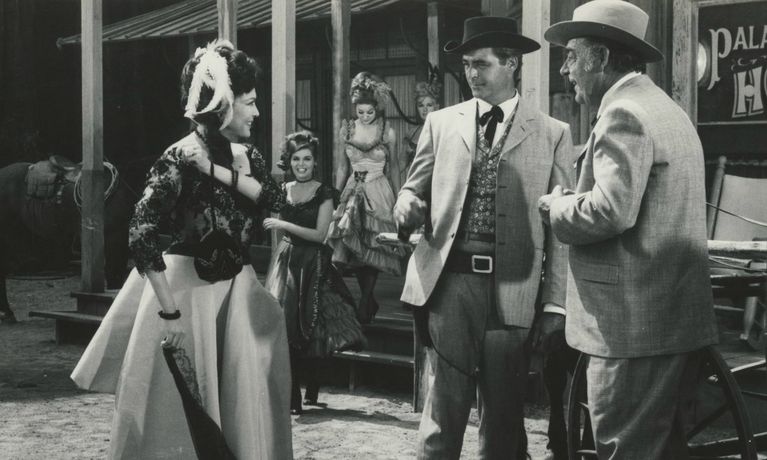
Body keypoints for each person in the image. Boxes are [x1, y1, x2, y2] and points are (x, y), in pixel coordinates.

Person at [70, 40, 293, 459]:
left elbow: (276, 200)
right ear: (223, 105)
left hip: (239, 293)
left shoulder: (249, 156)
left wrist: (213, 170)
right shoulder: (178, 156)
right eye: (249, 103)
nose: (257, 113)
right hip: (188, 298)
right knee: (182, 418)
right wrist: (169, 312)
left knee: (247, 408)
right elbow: (141, 231)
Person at [539, 1, 718, 458]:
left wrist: (558, 207)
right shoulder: (665, 109)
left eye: (571, 56)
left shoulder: (624, 114)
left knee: (624, 449)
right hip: (671, 325)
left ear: (600, 57)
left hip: (630, 330)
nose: (564, 70)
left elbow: (610, 211)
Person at [393, 16, 574, 459]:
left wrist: (555, 305)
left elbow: (561, 233)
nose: (471, 73)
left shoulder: (552, 133)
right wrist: (405, 205)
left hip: (514, 290)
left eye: (482, 64)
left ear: (512, 64)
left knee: (505, 421)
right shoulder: (441, 123)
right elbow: (412, 189)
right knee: (442, 414)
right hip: (450, 287)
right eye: (467, 64)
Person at [263, 131, 366, 415]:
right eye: (296, 159)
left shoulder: (324, 192)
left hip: (313, 261)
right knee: (286, 324)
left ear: (315, 162)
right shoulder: (283, 189)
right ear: (289, 161)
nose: (301, 164)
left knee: (311, 322)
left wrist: (284, 225)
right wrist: (278, 258)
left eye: (307, 159)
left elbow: (320, 235)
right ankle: (293, 397)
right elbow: (278, 233)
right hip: (287, 259)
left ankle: (312, 387)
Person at [327, 71, 407, 324]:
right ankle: (367, 299)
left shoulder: (387, 131)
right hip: (353, 189)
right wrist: (335, 194)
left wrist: (399, 196)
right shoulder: (347, 129)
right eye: (360, 112)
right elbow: (342, 166)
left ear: (377, 108)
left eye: (369, 112)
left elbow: (394, 167)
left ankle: (365, 300)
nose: (364, 116)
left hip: (378, 189)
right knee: (353, 248)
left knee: (373, 246)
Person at [400, 78, 441, 187]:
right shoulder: (411, 133)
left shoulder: (443, 131)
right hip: (415, 184)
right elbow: (402, 163)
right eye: (421, 105)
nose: (425, 109)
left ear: (436, 107)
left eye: (429, 105)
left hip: (436, 184)